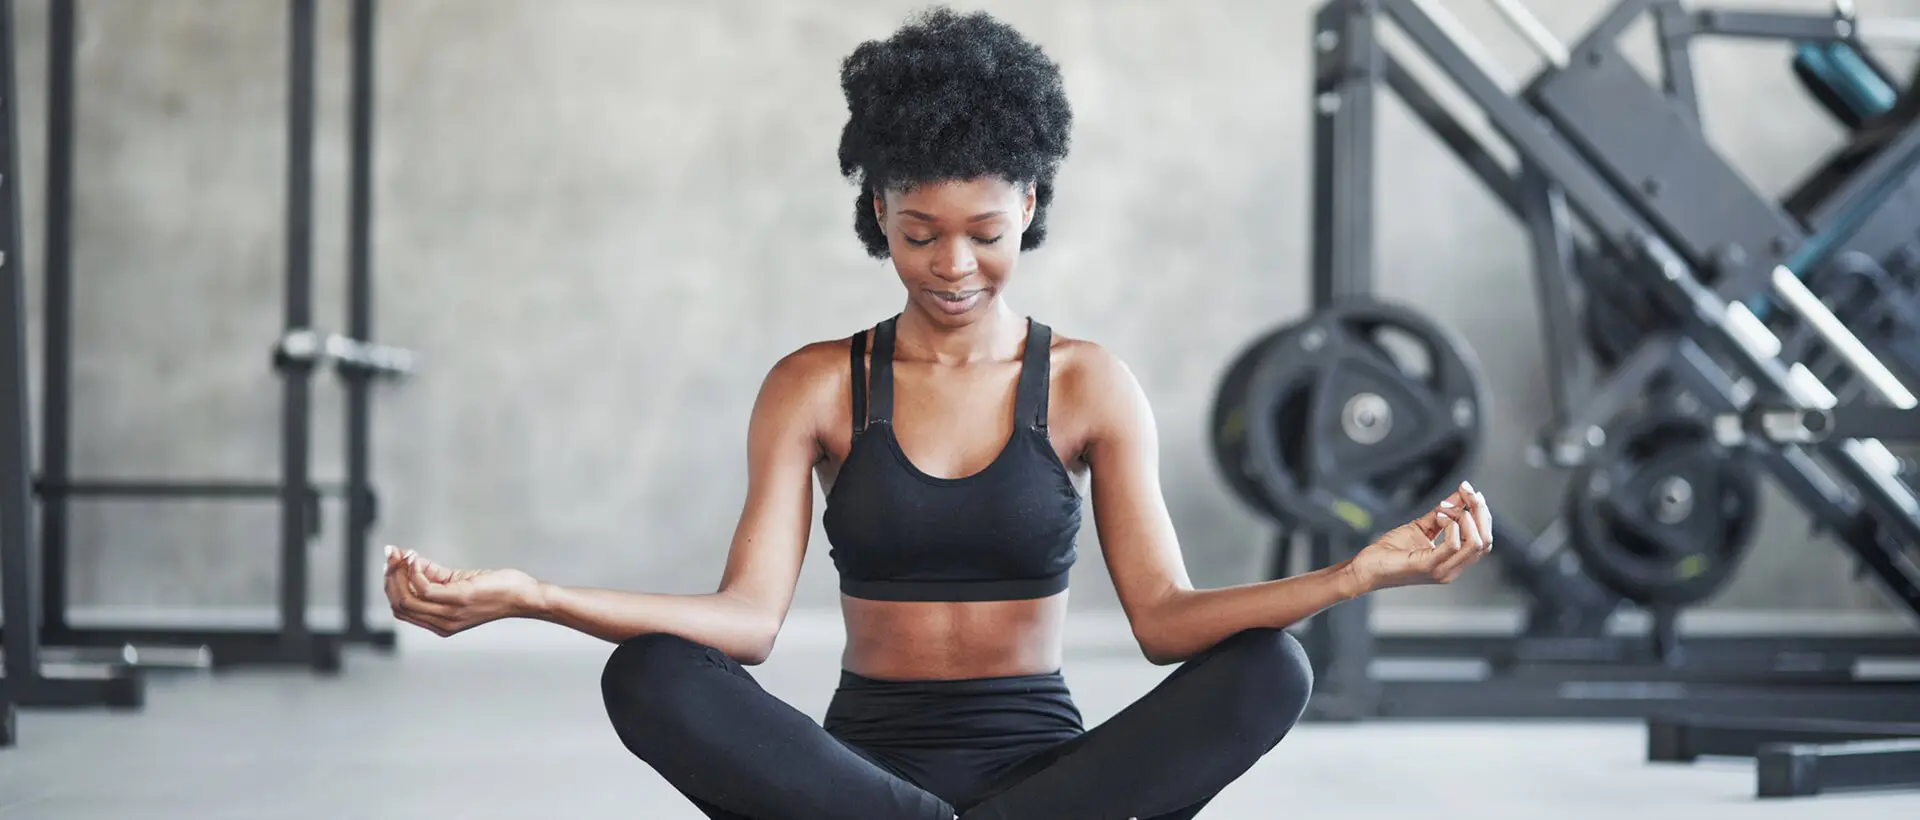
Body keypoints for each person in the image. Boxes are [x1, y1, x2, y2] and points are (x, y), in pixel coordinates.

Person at [382, 7, 1493, 819]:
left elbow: (1164, 619)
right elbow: (747, 623)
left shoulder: (1090, 385)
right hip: (858, 779)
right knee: (652, 673)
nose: (953, 265)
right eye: (919, 232)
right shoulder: (815, 384)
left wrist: (1356, 577)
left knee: (1270, 669)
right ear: (877, 212)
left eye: (986, 231)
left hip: (1047, 780)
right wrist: (532, 595)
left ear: (1033, 205)